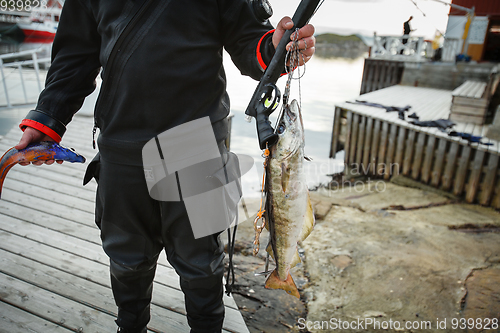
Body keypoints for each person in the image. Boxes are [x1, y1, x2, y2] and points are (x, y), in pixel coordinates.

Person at [14, 0, 316, 332]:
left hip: (197, 144)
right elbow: (75, 56)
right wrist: (45, 121)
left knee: (202, 266)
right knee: (127, 260)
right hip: (121, 145)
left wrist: (274, 47)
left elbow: (249, 42)